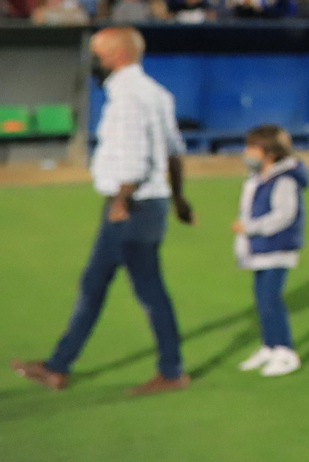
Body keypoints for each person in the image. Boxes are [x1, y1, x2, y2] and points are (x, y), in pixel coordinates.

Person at [11, 27, 195, 396]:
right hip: (147, 204)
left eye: (98, 54)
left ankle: (171, 371)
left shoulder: (127, 97)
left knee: (146, 291)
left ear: (117, 55)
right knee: (95, 285)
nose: (93, 62)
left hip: (129, 208)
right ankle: (58, 366)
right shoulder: (156, 93)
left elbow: (133, 160)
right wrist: (178, 199)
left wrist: (120, 201)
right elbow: (174, 152)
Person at [232, 125, 309, 378]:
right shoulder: (256, 179)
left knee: (270, 300)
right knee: (261, 300)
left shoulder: (284, 180)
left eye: (251, 148)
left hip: (277, 248)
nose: (246, 153)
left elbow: (284, 215)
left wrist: (251, 228)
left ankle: (285, 351)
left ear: (269, 153)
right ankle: (269, 345)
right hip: (261, 249)